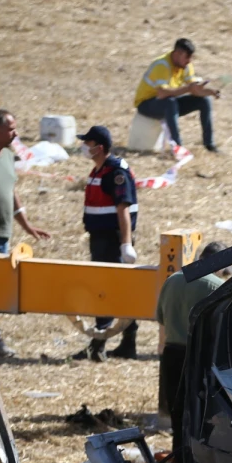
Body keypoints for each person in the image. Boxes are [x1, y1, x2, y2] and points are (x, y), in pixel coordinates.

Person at [0, 109, 51, 357]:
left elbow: (12, 193)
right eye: (11, 129)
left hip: (2, 234)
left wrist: (27, 225)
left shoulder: (7, 157)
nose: (16, 133)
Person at [155, 241, 228, 463]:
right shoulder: (217, 286)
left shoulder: (173, 280)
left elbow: (160, 318)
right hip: (198, 357)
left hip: (171, 355)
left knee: (178, 420)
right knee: (201, 421)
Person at [75, 125, 139, 362]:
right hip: (101, 238)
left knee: (105, 289)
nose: (84, 147)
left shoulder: (115, 172)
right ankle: (126, 342)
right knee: (119, 290)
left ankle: (98, 343)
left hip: (112, 240)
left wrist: (126, 244)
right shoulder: (99, 170)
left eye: (87, 143)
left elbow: (123, 209)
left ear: (99, 148)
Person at [134, 38, 220, 152]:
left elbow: (193, 89)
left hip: (168, 103)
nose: (189, 61)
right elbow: (162, 94)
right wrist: (188, 88)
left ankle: (209, 145)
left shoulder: (185, 65)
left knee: (205, 101)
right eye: (187, 57)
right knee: (170, 102)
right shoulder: (162, 65)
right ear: (177, 54)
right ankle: (177, 148)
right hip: (146, 104)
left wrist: (210, 92)